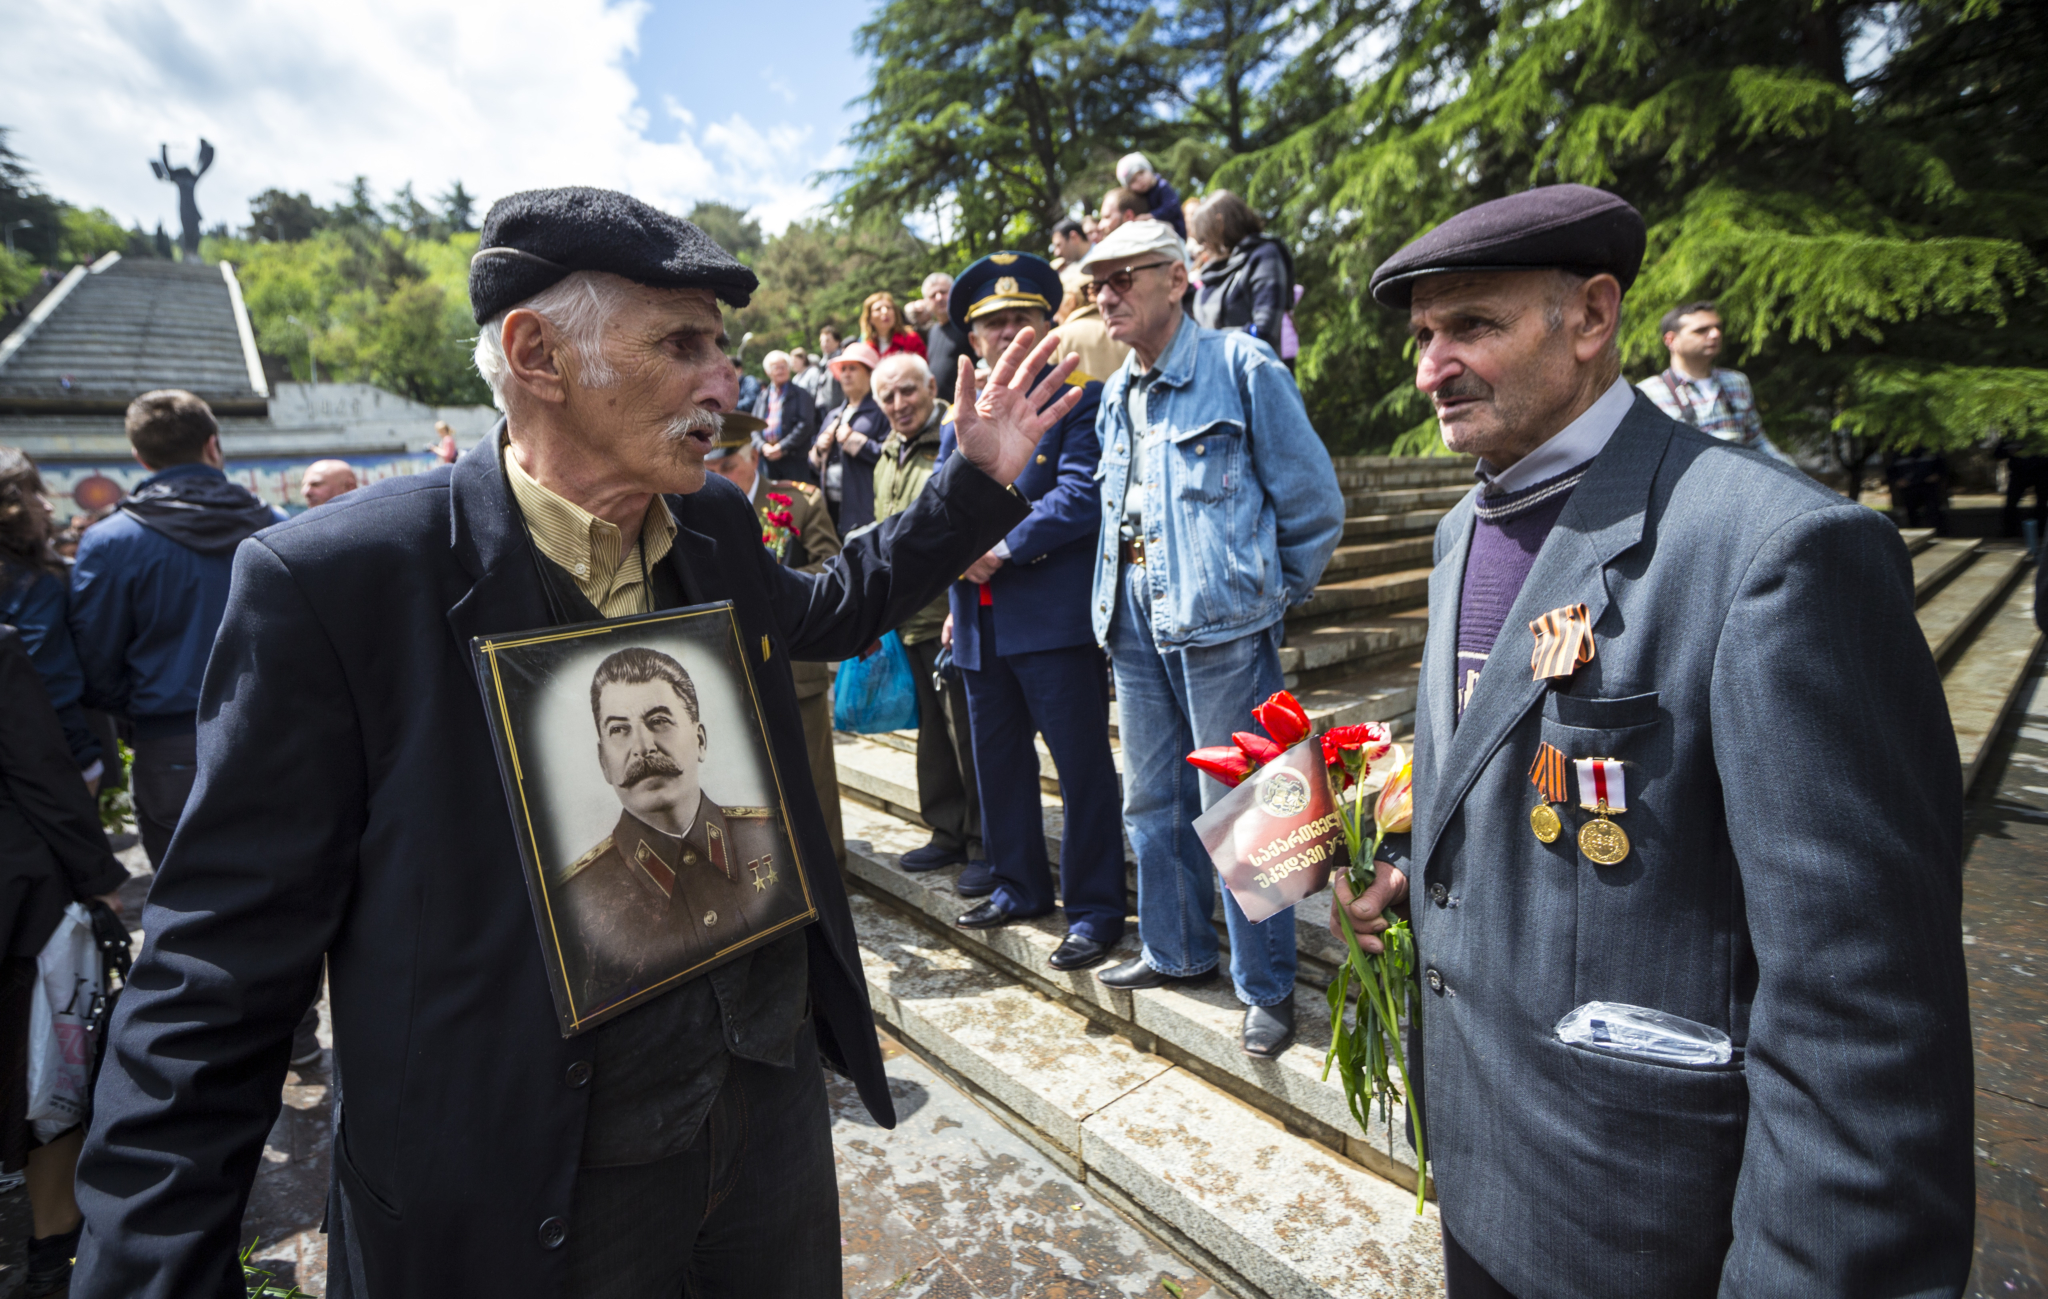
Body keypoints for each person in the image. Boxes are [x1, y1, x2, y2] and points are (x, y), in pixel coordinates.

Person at [72, 186, 1082, 1297]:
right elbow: (214, 973)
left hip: (762, 1128)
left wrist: (974, 484)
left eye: (722, 345)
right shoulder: (338, 585)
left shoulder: (712, 524)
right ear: (537, 354)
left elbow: (830, 611)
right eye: (682, 342)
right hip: (529, 1186)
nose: (724, 380)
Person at [1333, 183, 1973, 1297]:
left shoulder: (1776, 551)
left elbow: (1859, 1020)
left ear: (1588, 318)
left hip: (1647, 1225)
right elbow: (1493, 765)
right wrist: (1406, 867)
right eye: (1422, 335)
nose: (1429, 368)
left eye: (1470, 327)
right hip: (1483, 1177)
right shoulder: (1455, 530)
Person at [1080, 219, 1344, 1057]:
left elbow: (1313, 505)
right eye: (1096, 283)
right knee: (1150, 805)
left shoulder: (1240, 365)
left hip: (1224, 631)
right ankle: (1176, 950)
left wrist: (1264, 597)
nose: (1106, 295)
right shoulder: (1116, 390)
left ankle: (1266, 987)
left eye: (1124, 277)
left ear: (1178, 277)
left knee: (1249, 806)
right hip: (1132, 627)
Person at [934, 254, 1122, 973]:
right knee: (998, 766)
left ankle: (1097, 907)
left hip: (1050, 620)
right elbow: (941, 512)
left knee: (1081, 771)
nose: (1006, 332)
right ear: (973, 340)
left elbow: (1081, 494)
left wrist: (1001, 546)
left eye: (1020, 319)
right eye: (991, 324)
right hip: (978, 620)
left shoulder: (1082, 400)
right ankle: (1017, 884)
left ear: (1048, 326)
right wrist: (956, 557)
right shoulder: (959, 424)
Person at [68, 390, 284, 873]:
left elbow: (94, 661)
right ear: (213, 445)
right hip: (279, 735)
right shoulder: (278, 526)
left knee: (190, 906)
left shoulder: (108, 542)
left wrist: (143, 711)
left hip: (170, 747)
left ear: (140, 457)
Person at [554, 647, 798, 1008]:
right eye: (619, 730)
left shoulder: (773, 836)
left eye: (659, 721)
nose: (642, 747)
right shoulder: (574, 899)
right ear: (604, 762)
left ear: (699, 740)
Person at [0, 626, 129, 1299]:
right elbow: (40, 771)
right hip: (15, 900)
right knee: (45, 1084)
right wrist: (99, 879)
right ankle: (55, 1249)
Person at [704, 427, 846, 863]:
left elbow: (830, 566)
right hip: (725, 668)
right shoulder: (691, 506)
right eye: (710, 468)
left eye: (728, 466)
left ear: (752, 459)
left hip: (792, 660)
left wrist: (772, 586)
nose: (719, 476)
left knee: (812, 776)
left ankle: (829, 869)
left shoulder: (797, 501)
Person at [867, 353, 983, 873]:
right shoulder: (886, 454)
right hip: (909, 618)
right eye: (887, 397)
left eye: (908, 391)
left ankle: (984, 843)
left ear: (932, 386)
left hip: (951, 613)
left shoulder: (955, 438)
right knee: (934, 734)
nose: (899, 405)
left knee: (967, 733)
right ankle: (946, 831)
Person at [0, 449, 102, 784]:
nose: (47, 506)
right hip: (45, 747)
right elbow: (45, 675)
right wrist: (86, 760)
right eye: (34, 494)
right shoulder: (33, 583)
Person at [1637, 300, 1789, 462]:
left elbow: (1756, 440)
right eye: (1701, 330)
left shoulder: (1736, 381)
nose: (1715, 334)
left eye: (1718, 327)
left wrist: (1795, 476)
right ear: (1671, 341)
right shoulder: (1648, 393)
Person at [1190, 190, 1295, 349]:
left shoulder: (1265, 256)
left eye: (1204, 238)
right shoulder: (1215, 271)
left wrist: (1208, 342)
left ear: (1220, 225)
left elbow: (1264, 331)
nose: (1203, 246)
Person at [810, 340, 886, 531]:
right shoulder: (833, 415)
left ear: (870, 374)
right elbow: (812, 465)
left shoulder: (882, 412)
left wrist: (854, 442)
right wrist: (819, 449)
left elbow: (891, 456)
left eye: (853, 368)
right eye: (843, 369)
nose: (846, 374)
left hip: (866, 511)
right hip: (832, 510)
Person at [751, 349, 820, 486]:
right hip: (768, 460)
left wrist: (782, 447)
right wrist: (762, 446)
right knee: (772, 502)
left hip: (794, 460)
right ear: (767, 372)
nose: (781, 370)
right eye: (776, 367)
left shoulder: (801, 394)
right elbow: (754, 426)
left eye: (784, 366)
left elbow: (806, 424)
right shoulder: (762, 396)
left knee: (797, 501)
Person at [1051, 279, 1132, 385]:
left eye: (1059, 302)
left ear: (1072, 300)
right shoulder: (1128, 329)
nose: (1055, 317)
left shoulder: (1055, 338)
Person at [922, 272, 971, 406]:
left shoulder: (967, 325)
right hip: (943, 410)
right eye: (933, 295)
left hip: (969, 404)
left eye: (943, 292)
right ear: (926, 302)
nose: (939, 297)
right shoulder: (933, 332)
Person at [1114, 152, 1186, 238]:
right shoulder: (1140, 197)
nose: (1140, 180)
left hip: (1177, 234)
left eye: (1141, 173)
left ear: (1149, 169)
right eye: (1133, 180)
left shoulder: (1162, 186)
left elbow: (1171, 207)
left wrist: (1151, 216)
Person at [1884, 444, 1951, 533]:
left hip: (1928, 486)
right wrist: (1898, 481)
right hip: (1909, 488)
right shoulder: (1899, 454)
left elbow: (1942, 468)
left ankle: (1939, 532)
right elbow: (1891, 472)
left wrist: (1936, 475)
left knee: (1933, 511)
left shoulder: (1929, 452)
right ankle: (1915, 530)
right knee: (1911, 512)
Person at [858, 291, 926, 360]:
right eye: (878, 309)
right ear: (869, 318)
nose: (885, 311)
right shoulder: (867, 347)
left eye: (888, 307)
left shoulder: (911, 339)